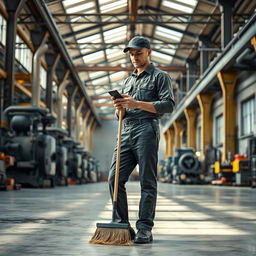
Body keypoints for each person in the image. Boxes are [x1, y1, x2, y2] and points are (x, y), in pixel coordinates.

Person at [108, 36, 175, 244]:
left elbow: (168, 105)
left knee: (147, 181)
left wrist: (137, 104)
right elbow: (122, 114)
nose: (134, 58)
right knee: (114, 179)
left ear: (149, 52)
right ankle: (121, 224)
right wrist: (119, 108)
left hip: (146, 130)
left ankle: (145, 228)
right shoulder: (128, 80)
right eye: (131, 54)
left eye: (138, 53)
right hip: (126, 131)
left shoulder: (160, 77)